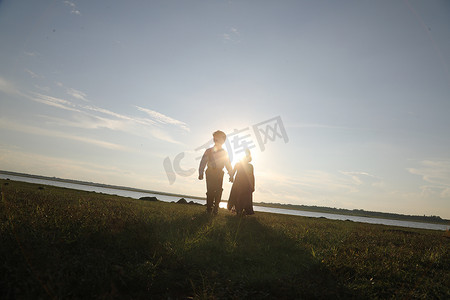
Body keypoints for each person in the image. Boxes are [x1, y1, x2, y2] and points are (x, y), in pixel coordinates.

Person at [198, 130, 233, 215]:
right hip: (209, 172)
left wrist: (231, 174)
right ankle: (209, 208)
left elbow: (228, 164)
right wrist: (201, 172)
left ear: (223, 140)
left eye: (218, 138)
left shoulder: (224, 152)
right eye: (215, 137)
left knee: (218, 190)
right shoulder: (208, 151)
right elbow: (203, 162)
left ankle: (216, 207)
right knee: (210, 190)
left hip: (219, 173)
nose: (216, 139)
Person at [227, 149, 255, 216]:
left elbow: (252, 176)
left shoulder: (250, 166)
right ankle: (238, 212)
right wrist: (231, 177)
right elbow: (233, 172)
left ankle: (242, 212)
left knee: (245, 198)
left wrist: (253, 185)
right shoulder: (238, 164)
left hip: (246, 184)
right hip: (238, 183)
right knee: (237, 197)